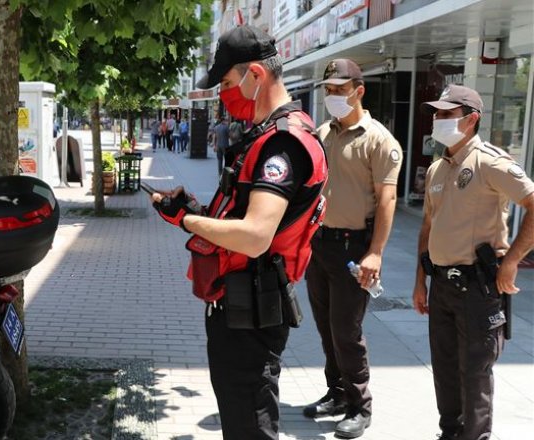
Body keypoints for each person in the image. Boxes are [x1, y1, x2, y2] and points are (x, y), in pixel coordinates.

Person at [151, 25, 327, 439]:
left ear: (255, 75)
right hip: (242, 302)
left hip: (251, 310)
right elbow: (245, 213)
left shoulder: (283, 145)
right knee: (241, 414)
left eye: (228, 83)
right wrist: (196, 209)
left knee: (249, 421)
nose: (224, 94)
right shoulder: (269, 135)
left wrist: (184, 220)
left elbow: (254, 235)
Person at [413, 85, 534, 440]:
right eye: (437, 113)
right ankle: (449, 433)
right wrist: (421, 281)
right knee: (445, 372)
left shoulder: (488, 162)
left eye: (447, 114)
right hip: (442, 287)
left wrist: (512, 260)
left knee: (475, 376)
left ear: (471, 119)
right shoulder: (437, 168)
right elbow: (427, 228)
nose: (438, 119)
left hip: (478, 290)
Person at [301, 59, 404, 438]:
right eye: (328, 90)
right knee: (327, 328)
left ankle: (361, 405)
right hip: (319, 245)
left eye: (339, 90)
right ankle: (337, 393)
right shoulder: (323, 132)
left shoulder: (378, 140)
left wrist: (375, 253)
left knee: (347, 330)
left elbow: (388, 199)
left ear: (359, 91)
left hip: (353, 247)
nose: (332, 97)